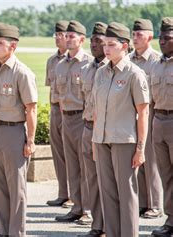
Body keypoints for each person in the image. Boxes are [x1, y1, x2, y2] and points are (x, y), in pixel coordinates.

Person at [0, 23, 37, 236]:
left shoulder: (22, 73)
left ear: (13, 46)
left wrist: (30, 140)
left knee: (16, 188)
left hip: (14, 132)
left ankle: (16, 232)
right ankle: (2, 231)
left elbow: (31, 108)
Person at [92, 22, 149, 237]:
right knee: (107, 194)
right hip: (102, 140)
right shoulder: (100, 73)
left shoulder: (135, 74)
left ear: (124, 46)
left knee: (127, 195)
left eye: (111, 44)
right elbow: (97, 109)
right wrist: (95, 141)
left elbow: (143, 113)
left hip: (125, 142)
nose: (106, 49)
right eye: (104, 44)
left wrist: (141, 148)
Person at [54, 20, 93, 224]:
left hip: (82, 118)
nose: (68, 39)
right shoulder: (61, 65)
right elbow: (59, 95)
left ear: (82, 39)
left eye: (72, 36)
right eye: (66, 36)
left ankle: (88, 209)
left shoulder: (88, 63)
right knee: (72, 166)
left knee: (85, 166)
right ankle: (76, 207)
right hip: (66, 118)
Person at [77, 22, 108, 237]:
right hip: (87, 128)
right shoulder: (87, 69)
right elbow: (84, 100)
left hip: (106, 132)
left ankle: (110, 226)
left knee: (107, 181)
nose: (93, 44)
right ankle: (97, 225)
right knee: (92, 181)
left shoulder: (112, 69)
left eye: (98, 40)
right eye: (92, 40)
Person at [130, 18, 163, 219]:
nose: (135, 38)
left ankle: (156, 204)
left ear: (150, 36)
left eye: (139, 34)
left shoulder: (156, 60)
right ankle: (143, 202)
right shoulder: (128, 59)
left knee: (151, 162)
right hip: (131, 116)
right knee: (137, 161)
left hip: (150, 114)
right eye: (133, 34)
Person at [150, 17, 173, 237]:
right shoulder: (156, 64)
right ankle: (171, 220)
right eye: (160, 37)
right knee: (165, 174)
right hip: (159, 121)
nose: (162, 41)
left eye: (167, 38)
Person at [45, 20, 71, 208]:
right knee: (58, 154)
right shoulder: (52, 61)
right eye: (56, 35)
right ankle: (63, 192)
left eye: (61, 35)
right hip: (55, 109)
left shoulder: (77, 60)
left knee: (73, 155)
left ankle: (75, 196)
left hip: (71, 112)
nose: (58, 38)